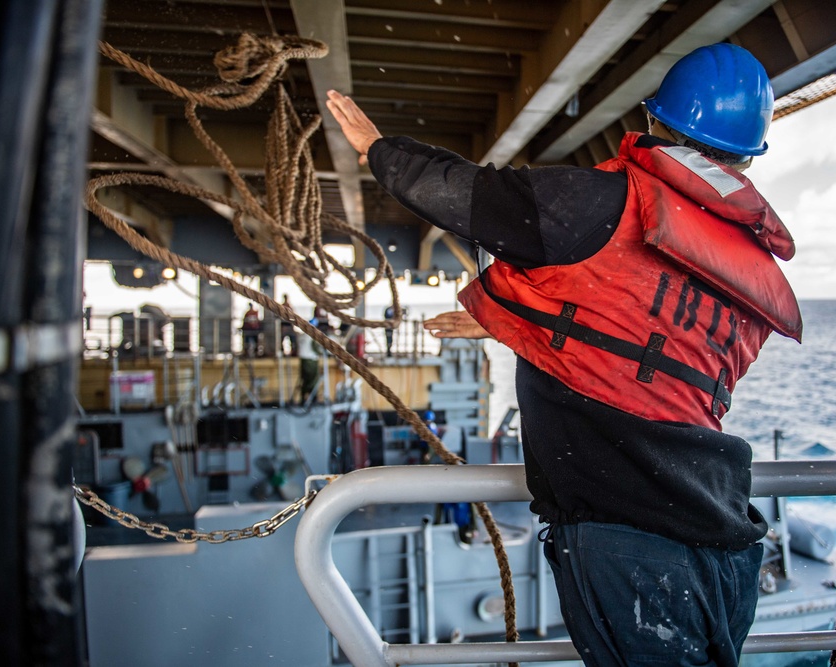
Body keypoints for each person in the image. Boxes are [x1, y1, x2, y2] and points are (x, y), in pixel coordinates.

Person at [326, 43, 802, 667]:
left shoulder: (597, 202)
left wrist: (377, 150)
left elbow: (465, 196)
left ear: (655, 122)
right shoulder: (745, 265)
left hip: (630, 540)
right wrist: (512, 318)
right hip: (723, 535)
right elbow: (637, 346)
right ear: (746, 154)